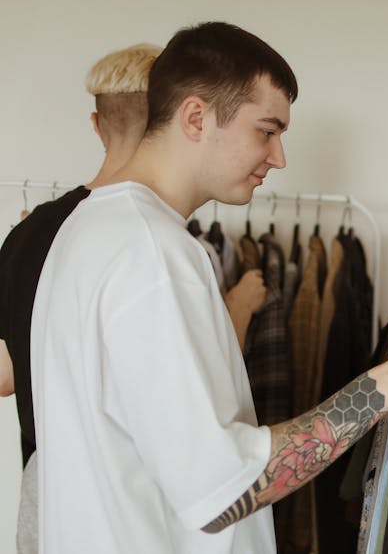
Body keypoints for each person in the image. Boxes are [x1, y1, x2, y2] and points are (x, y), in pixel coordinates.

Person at [30, 21, 388, 553]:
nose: (278, 158)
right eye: (267, 130)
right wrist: (383, 388)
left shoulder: (88, 225)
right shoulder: (154, 252)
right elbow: (219, 490)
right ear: (195, 117)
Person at [0, 42, 266, 553]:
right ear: (171, 123)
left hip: (49, 488)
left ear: (97, 125)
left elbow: (8, 376)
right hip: (133, 499)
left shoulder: (36, 232)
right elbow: (188, 415)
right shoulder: (151, 245)